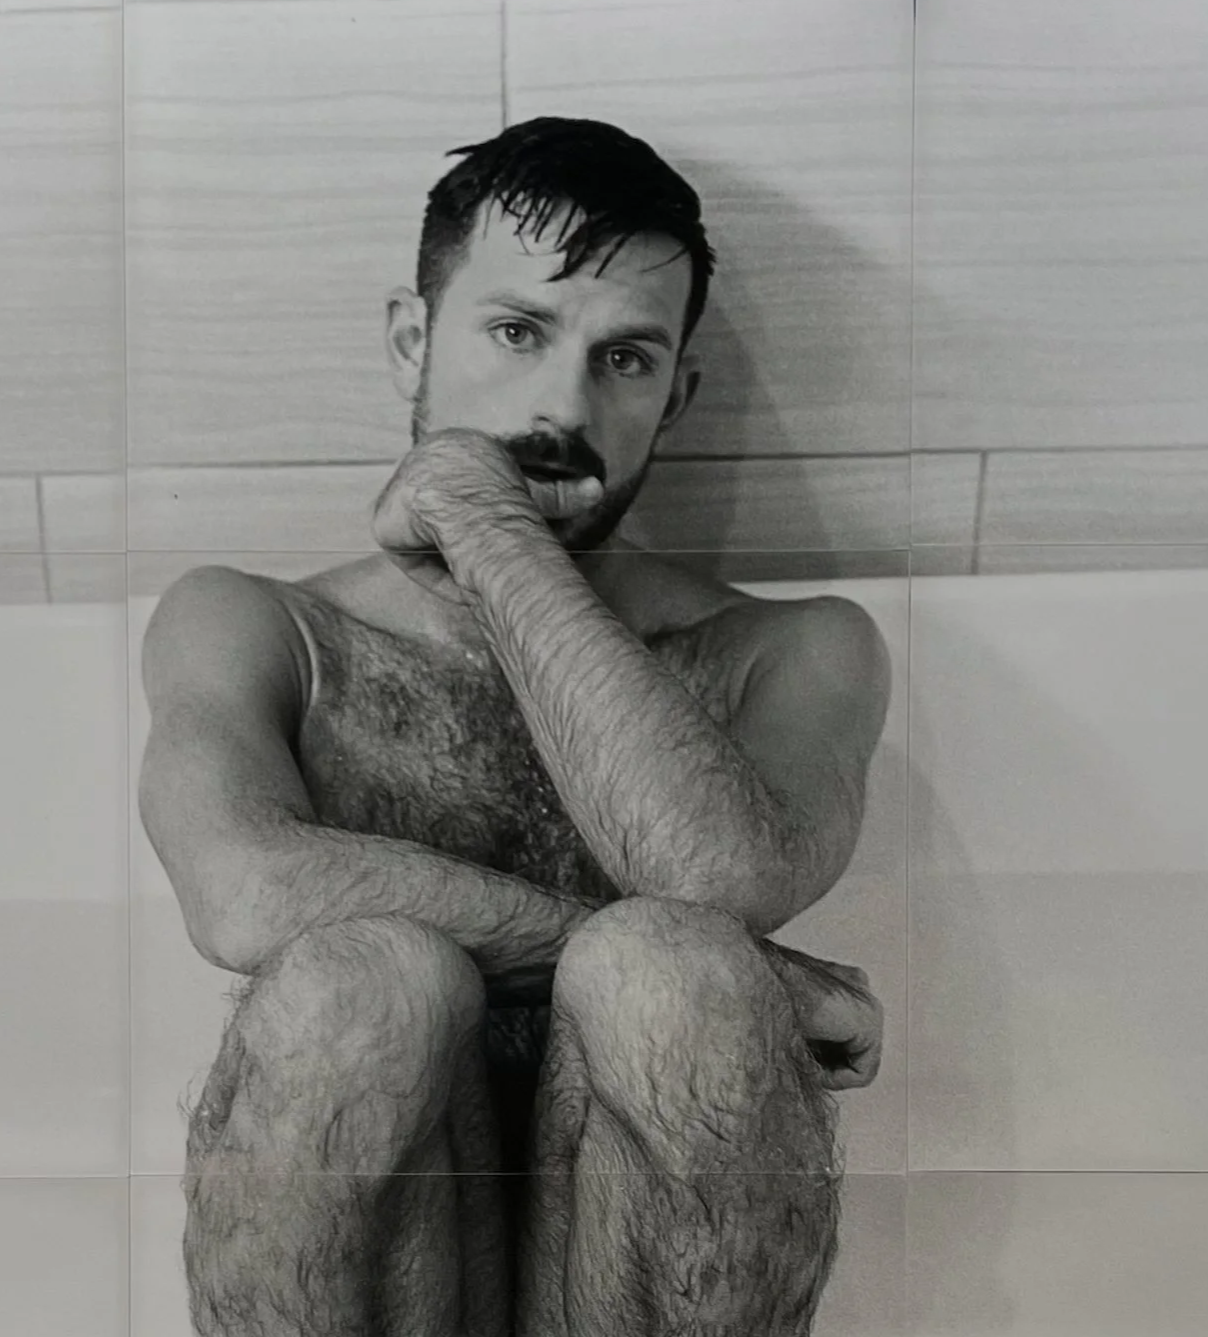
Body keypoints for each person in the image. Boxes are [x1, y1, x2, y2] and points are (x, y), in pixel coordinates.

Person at [138, 116, 892, 1337]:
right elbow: (242, 897)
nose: (561, 400)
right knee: (360, 983)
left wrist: (481, 524)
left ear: (677, 395)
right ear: (410, 339)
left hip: (637, 1270)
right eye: (516, 330)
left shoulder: (796, 647)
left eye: (627, 358)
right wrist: (751, 975)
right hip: (374, 1264)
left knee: (677, 971)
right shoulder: (252, 624)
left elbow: (711, 874)